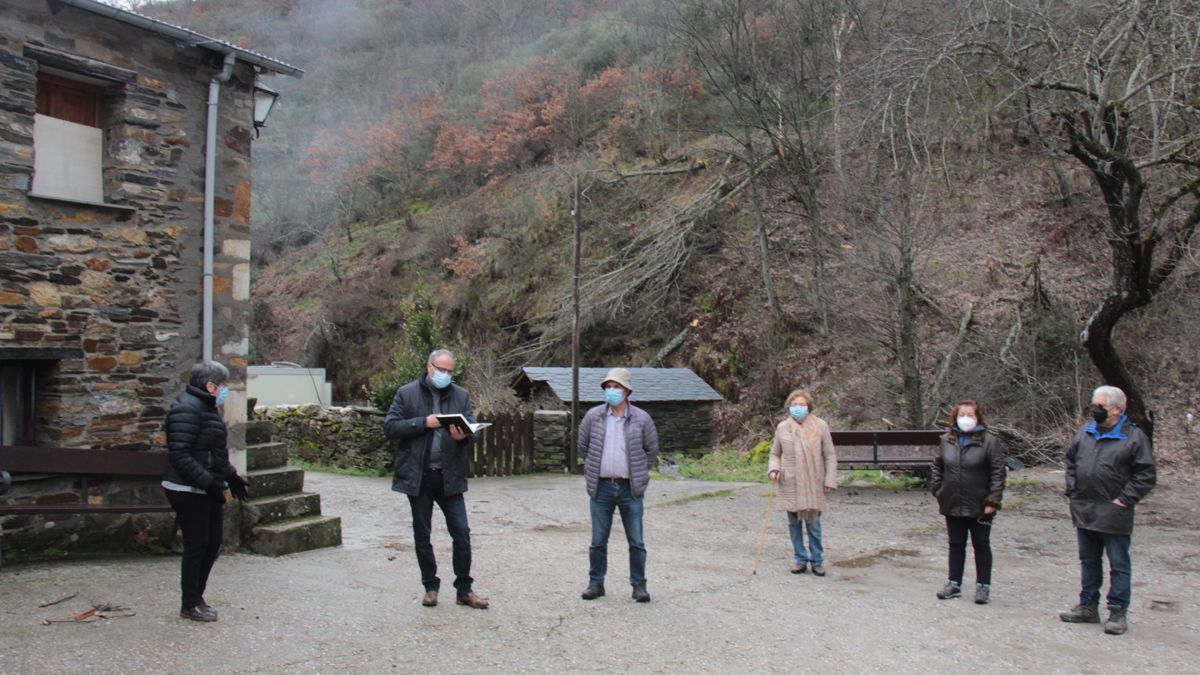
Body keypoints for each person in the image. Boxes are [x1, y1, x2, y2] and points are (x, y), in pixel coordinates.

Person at [383, 349, 488, 609]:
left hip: (449, 476)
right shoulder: (406, 393)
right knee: (423, 534)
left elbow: (473, 429)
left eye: (451, 371)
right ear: (429, 367)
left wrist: (465, 436)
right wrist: (424, 423)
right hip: (419, 477)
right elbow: (391, 427)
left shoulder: (460, 395)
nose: (446, 375)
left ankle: (464, 589)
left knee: (462, 533)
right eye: (442, 370)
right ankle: (430, 587)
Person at [1059, 385, 1156, 635]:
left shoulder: (1134, 437)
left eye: (1099, 406)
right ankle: (1088, 606)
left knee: (1118, 563)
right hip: (1084, 508)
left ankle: (1117, 611)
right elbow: (1071, 461)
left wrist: (1124, 500)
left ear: (1116, 409)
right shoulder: (1085, 432)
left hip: (1114, 512)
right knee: (1089, 560)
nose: (1095, 410)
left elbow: (1146, 475)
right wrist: (1072, 489)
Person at [162, 360, 249, 622]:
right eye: (222, 386)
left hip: (205, 487)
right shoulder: (186, 409)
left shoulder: (209, 409)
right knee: (197, 545)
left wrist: (231, 477)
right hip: (186, 488)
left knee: (212, 544)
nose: (225, 391)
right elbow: (180, 454)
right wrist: (209, 483)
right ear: (210, 385)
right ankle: (190, 603)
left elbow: (214, 453)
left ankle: (197, 598)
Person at [578, 367, 659, 603]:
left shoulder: (642, 418)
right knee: (597, 541)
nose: (612, 391)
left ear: (627, 391)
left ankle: (639, 585)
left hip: (629, 488)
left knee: (636, 541)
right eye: (608, 387)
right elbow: (582, 446)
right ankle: (596, 583)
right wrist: (592, 468)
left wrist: (642, 474)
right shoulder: (594, 416)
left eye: (617, 387)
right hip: (601, 487)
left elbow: (651, 449)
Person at [929, 400, 1006, 604]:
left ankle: (983, 586)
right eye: (962, 414)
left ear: (978, 417)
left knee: (981, 544)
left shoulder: (990, 441)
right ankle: (953, 583)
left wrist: (993, 500)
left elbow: (998, 473)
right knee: (955, 544)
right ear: (955, 416)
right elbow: (938, 465)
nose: (966, 418)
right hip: (952, 500)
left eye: (970, 415)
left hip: (979, 502)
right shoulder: (946, 440)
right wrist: (938, 489)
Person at [768, 389, 837, 576]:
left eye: (802, 404)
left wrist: (829, 479)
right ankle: (800, 559)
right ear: (789, 406)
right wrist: (774, 469)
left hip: (814, 481)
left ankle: (817, 560)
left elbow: (829, 455)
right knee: (793, 524)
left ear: (809, 407)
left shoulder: (821, 426)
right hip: (790, 481)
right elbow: (775, 454)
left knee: (814, 523)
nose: (798, 407)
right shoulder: (783, 427)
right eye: (794, 404)